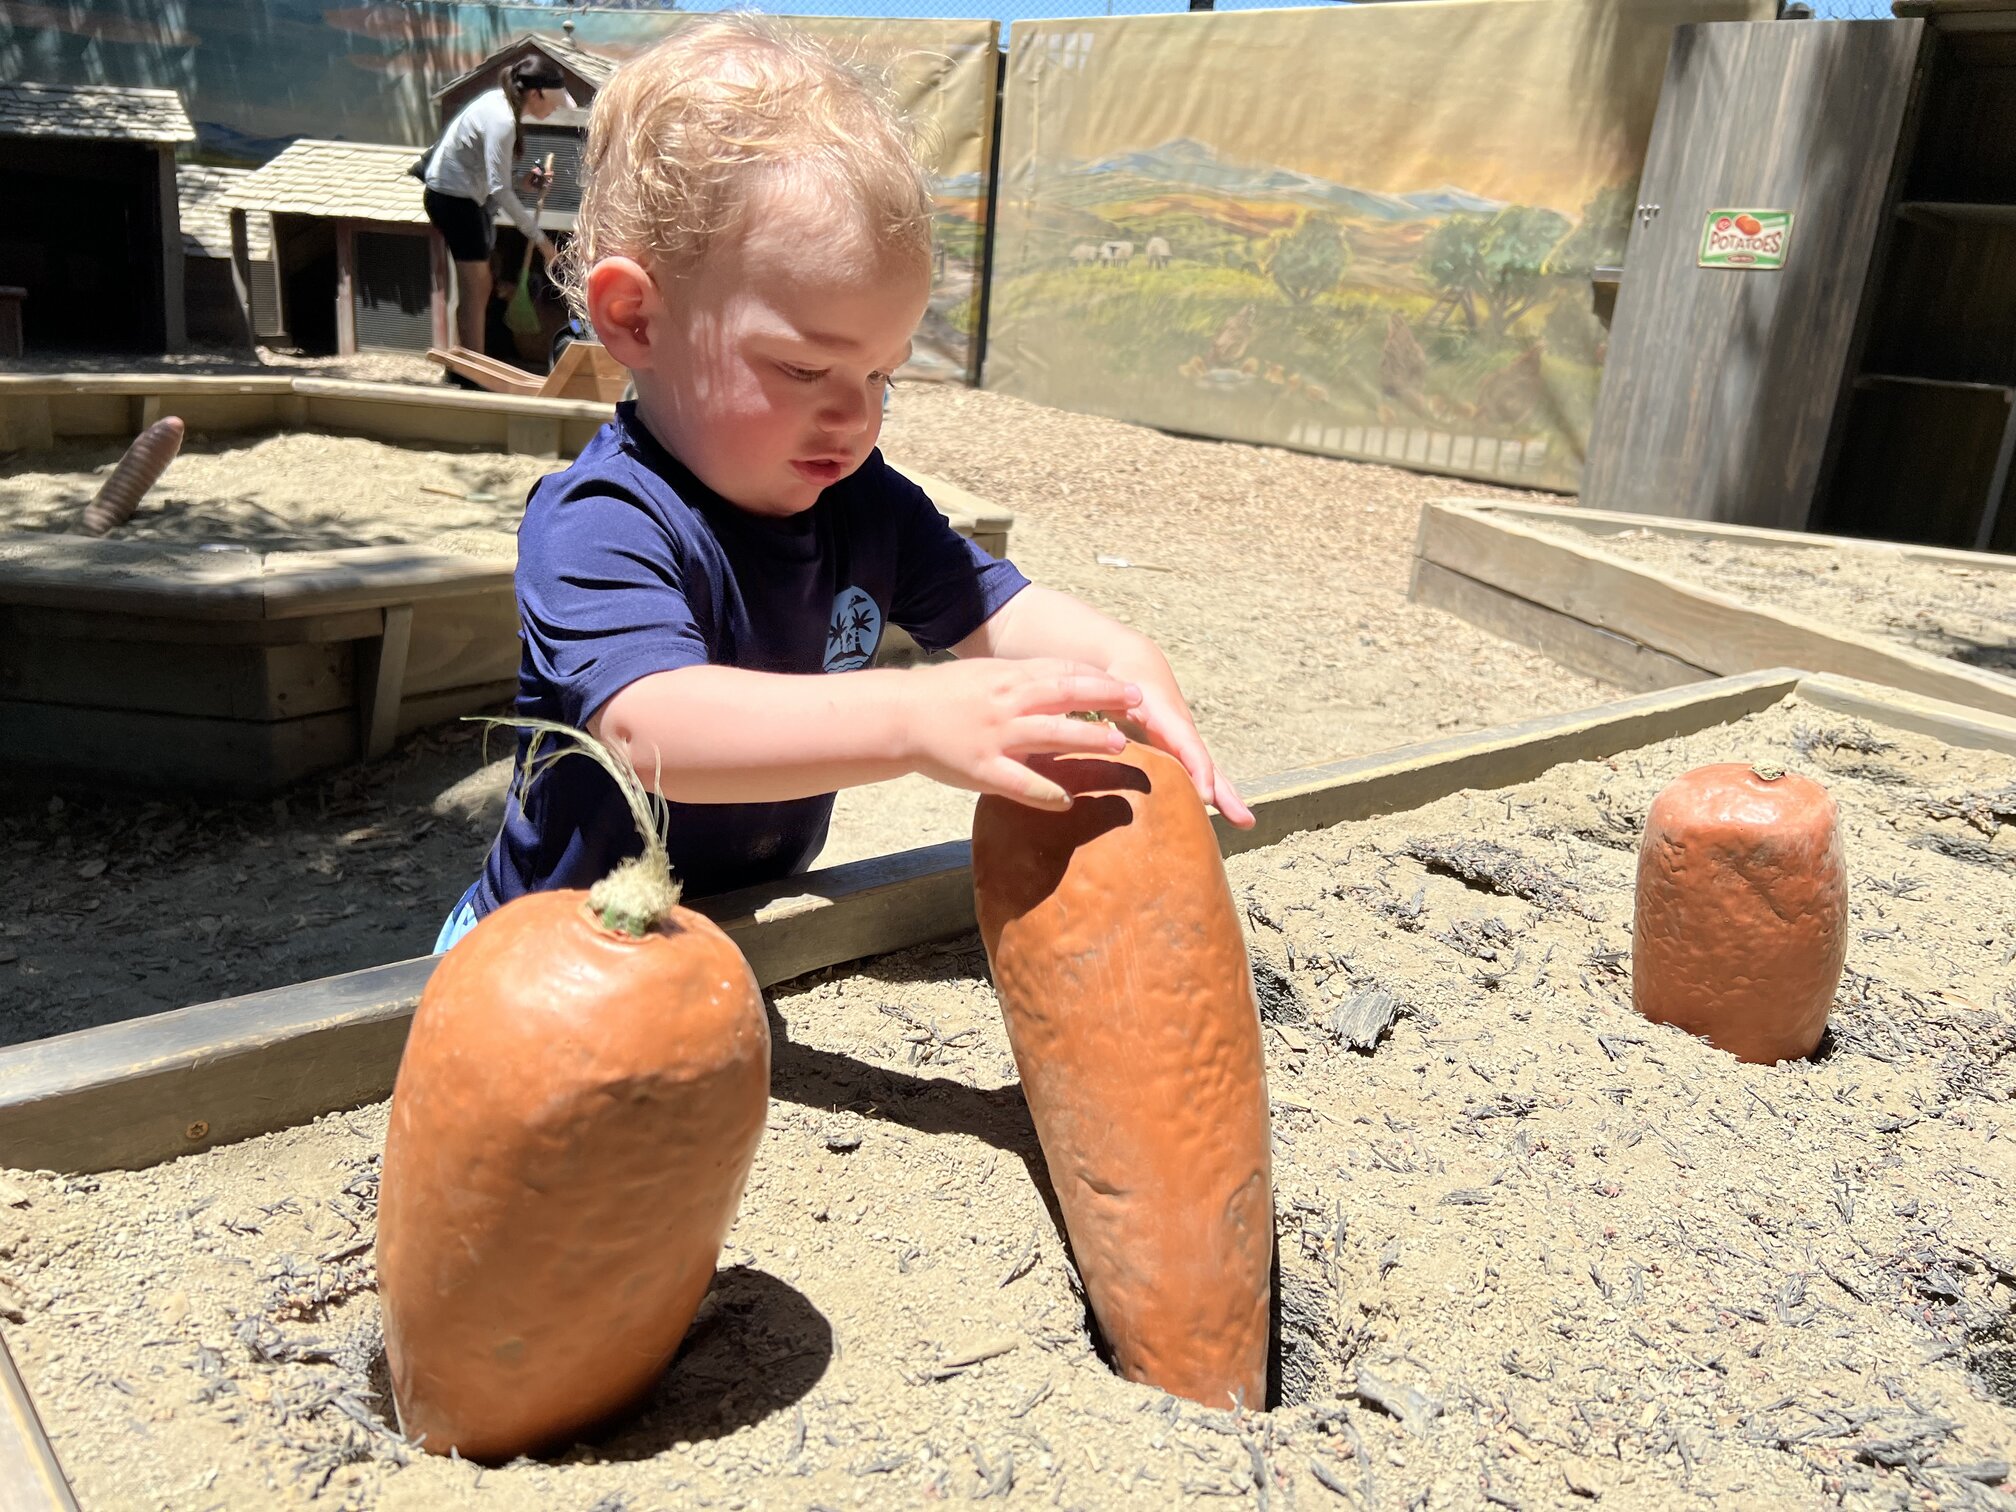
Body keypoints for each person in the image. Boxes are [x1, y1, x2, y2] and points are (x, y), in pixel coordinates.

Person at [433, 17, 1252, 952]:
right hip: (546, 953)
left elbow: (1001, 614)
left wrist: (1126, 665)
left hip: (734, 938)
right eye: (801, 370)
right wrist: (910, 715)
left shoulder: (864, 505)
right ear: (636, 319)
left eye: (881, 376)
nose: (855, 418)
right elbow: (653, 727)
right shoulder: (601, 519)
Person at [421, 56, 564, 353]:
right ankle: (471, 372)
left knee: (479, 287)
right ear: (536, 93)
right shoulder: (503, 120)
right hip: (454, 200)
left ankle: (469, 361)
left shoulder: (501, 104)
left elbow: (495, 177)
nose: (556, 108)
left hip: (463, 198)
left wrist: (526, 181)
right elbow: (499, 189)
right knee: (476, 289)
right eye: (555, 101)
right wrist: (541, 241)